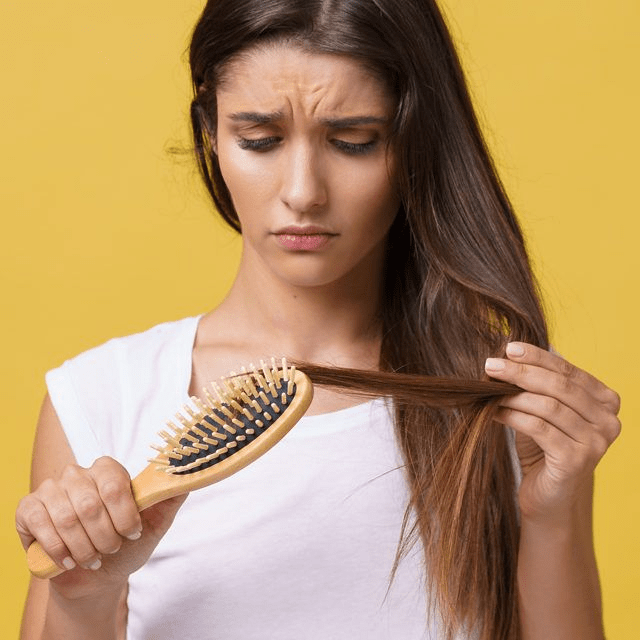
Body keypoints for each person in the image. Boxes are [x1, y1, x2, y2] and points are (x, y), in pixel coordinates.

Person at [16, 1, 621, 639]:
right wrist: (83, 599)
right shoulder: (101, 398)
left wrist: (555, 511)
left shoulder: (505, 404)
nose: (303, 192)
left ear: (414, 141)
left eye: (353, 142)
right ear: (210, 134)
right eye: (260, 140)